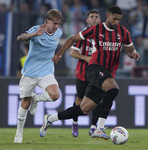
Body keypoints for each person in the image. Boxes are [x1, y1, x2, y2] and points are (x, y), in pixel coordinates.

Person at [40, 5, 140, 140]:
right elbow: (73, 39)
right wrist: (59, 54)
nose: (117, 22)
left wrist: (133, 54)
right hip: (94, 68)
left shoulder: (123, 32)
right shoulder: (96, 30)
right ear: (108, 16)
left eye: (119, 20)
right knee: (113, 89)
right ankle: (99, 128)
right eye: (115, 19)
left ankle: (50, 118)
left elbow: (130, 50)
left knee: (83, 109)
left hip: (107, 73)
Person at [14, 9, 63, 143]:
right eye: (54, 23)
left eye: (59, 24)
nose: (57, 27)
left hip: (46, 71)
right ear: (47, 21)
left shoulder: (59, 32)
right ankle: (19, 132)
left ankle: (36, 99)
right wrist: (34, 34)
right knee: (25, 102)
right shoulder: (37, 29)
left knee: (55, 95)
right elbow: (20, 37)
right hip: (30, 72)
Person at [70, 10, 101, 137]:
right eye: (92, 17)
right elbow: (72, 53)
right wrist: (87, 58)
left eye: (96, 17)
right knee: (79, 99)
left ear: (100, 20)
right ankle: (75, 121)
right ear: (87, 20)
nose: (94, 19)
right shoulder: (82, 35)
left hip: (97, 73)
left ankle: (93, 127)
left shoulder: (103, 35)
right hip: (83, 72)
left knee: (97, 100)